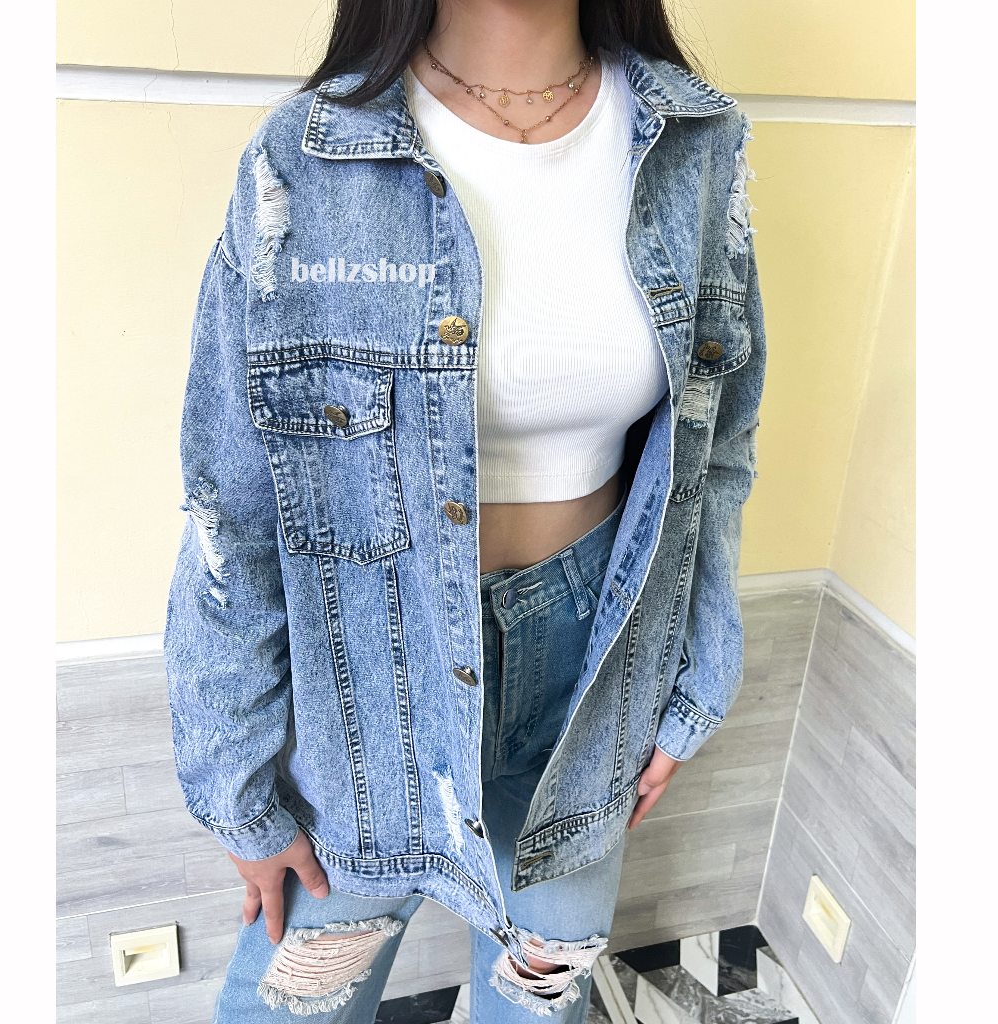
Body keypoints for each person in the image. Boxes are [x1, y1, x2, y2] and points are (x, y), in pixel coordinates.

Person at [162, 0, 768, 1020]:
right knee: (291, 1005)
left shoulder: (694, 140)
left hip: (593, 674)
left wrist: (700, 675)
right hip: (368, 688)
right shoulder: (311, 155)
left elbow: (717, 448)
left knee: (538, 1000)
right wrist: (237, 788)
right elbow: (233, 497)